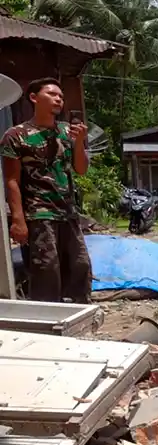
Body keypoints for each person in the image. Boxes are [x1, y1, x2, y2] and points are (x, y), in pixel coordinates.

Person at [1, 78, 92, 304]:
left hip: (67, 212)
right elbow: (11, 180)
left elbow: (81, 169)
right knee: (46, 269)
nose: (58, 99)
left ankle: (79, 311)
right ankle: (47, 315)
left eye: (61, 96)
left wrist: (80, 142)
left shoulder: (67, 131)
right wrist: (18, 220)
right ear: (34, 98)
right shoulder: (15, 135)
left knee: (80, 266)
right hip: (38, 214)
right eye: (52, 94)